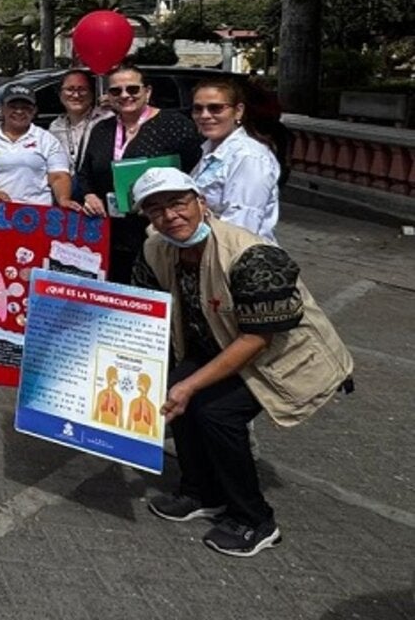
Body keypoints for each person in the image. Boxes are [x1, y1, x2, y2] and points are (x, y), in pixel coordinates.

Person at [132, 168, 353, 558]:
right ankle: (201, 492)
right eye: (156, 209)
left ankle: (254, 519)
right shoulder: (156, 247)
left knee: (216, 412)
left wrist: (191, 385)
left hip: (279, 357)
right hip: (214, 346)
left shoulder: (251, 254)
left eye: (178, 203)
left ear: (201, 202)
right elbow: (138, 306)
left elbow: (258, 338)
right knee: (172, 394)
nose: (169, 216)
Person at [77, 62, 203, 284]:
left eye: (133, 89)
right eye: (116, 91)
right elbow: (85, 172)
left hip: (158, 230)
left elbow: (195, 172)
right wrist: (89, 195)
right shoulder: (101, 129)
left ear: (148, 91)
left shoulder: (173, 124)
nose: (125, 95)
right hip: (110, 233)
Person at [190, 79, 281, 243]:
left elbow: (242, 223)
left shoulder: (249, 157)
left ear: (238, 111)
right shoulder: (209, 150)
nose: (205, 115)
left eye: (215, 108)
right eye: (198, 109)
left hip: (234, 253)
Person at [0, 83, 75, 206]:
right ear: (2, 109)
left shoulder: (47, 140)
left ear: (34, 111)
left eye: (26, 107)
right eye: (13, 106)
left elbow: (58, 176)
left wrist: (64, 200)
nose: (19, 111)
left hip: (37, 212)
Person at [48, 68, 110, 188]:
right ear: (60, 94)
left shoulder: (107, 119)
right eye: (70, 89)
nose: (76, 95)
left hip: (99, 190)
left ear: (92, 93)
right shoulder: (55, 127)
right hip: (68, 192)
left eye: (82, 89)